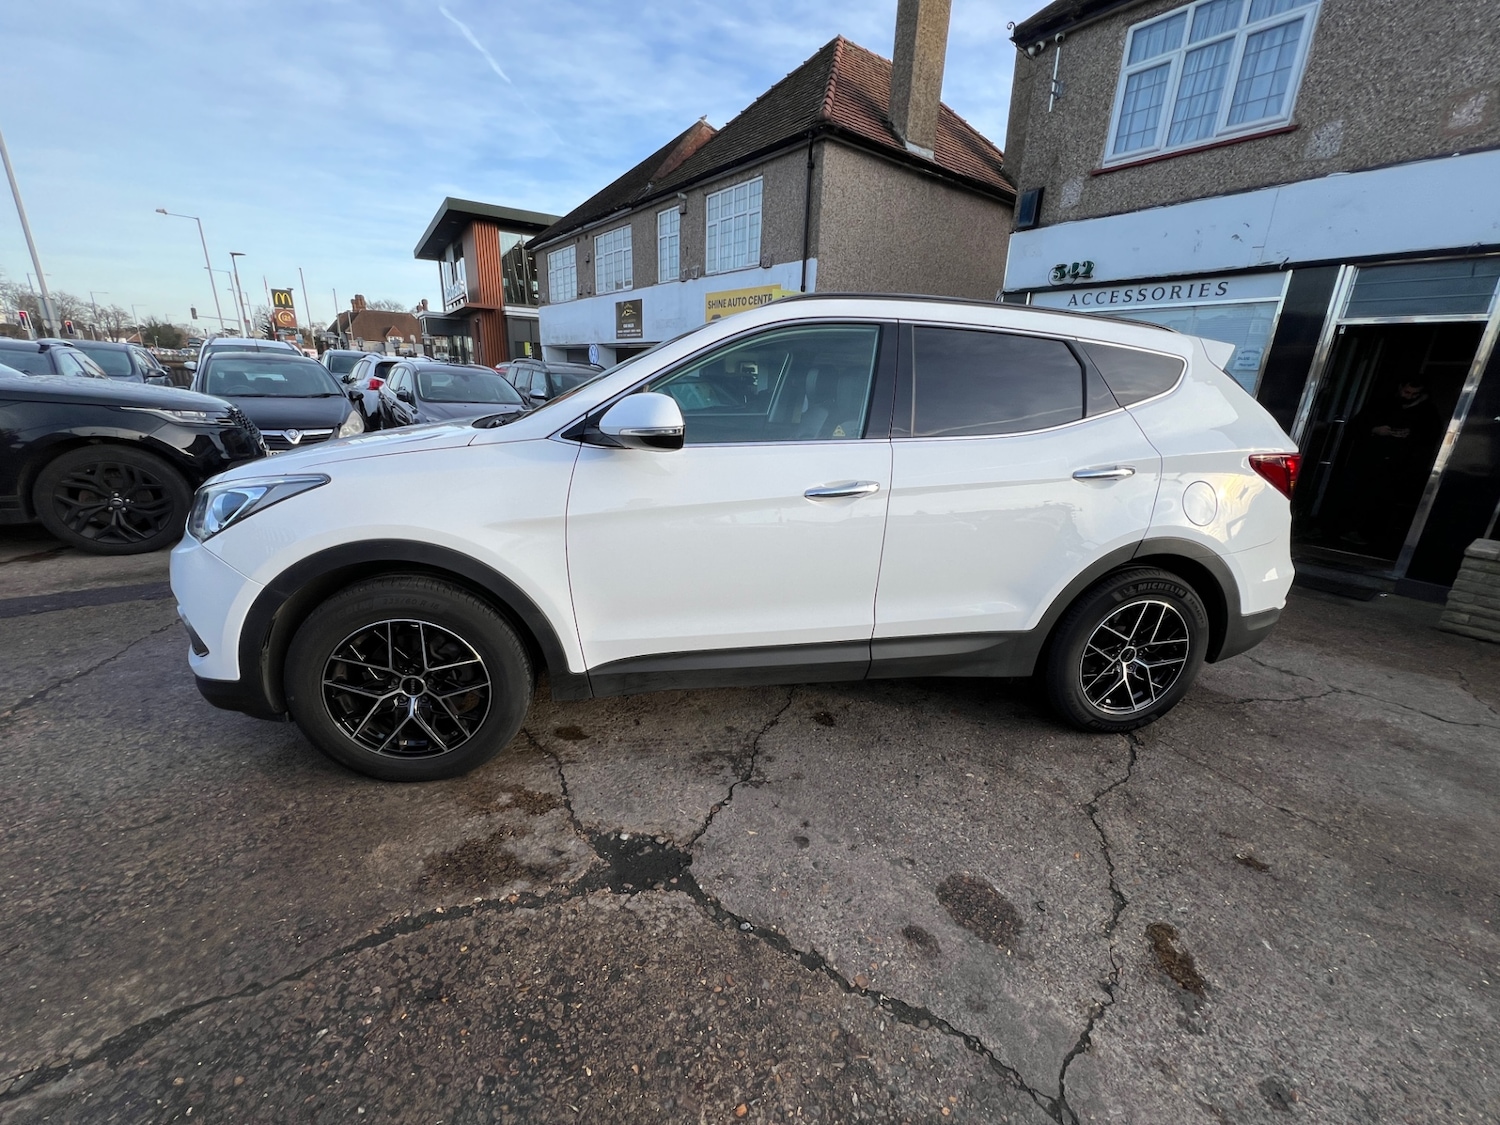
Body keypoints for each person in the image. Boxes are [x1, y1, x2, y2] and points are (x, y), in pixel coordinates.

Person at [1340, 377, 1444, 553]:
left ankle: (1371, 538)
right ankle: (1344, 530)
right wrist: (1375, 430)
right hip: (1367, 461)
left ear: (1422, 394)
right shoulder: (1382, 404)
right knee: (1354, 496)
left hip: (1399, 467)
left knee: (1383, 503)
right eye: (1407, 392)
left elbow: (1431, 438)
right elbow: (1354, 427)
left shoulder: (1428, 413)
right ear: (1400, 387)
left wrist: (1411, 436)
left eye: (1414, 394)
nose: (1409, 397)